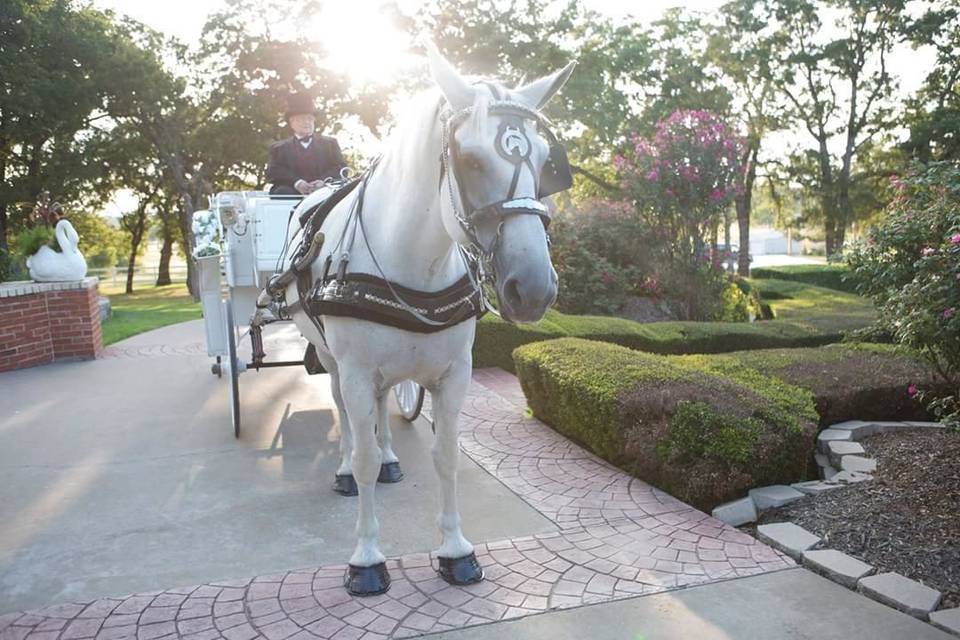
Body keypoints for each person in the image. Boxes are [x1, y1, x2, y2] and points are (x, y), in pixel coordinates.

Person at [267, 93, 347, 196]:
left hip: (324, 193)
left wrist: (323, 182)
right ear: (292, 123)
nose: (307, 122)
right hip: (292, 192)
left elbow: (341, 168)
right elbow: (273, 171)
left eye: (310, 119)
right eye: (302, 119)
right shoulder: (279, 148)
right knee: (281, 192)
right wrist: (297, 182)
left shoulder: (330, 144)